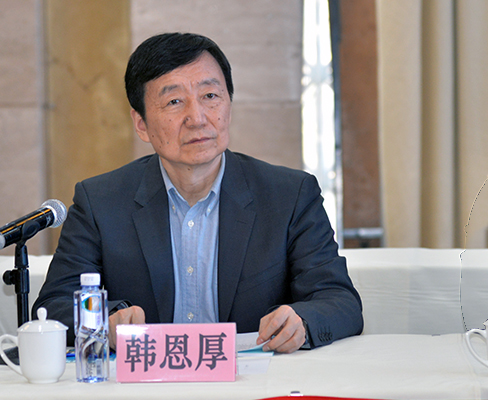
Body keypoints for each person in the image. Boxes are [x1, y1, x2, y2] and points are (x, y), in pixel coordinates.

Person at [32, 32, 363, 354]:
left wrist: (301, 321)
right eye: (174, 102)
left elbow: (339, 301)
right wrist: (105, 321)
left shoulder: (289, 195)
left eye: (210, 96)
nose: (197, 118)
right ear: (141, 124)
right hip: (146, 382)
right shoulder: (100, 202)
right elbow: (55, 304)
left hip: (253, 380)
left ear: (229, 104)